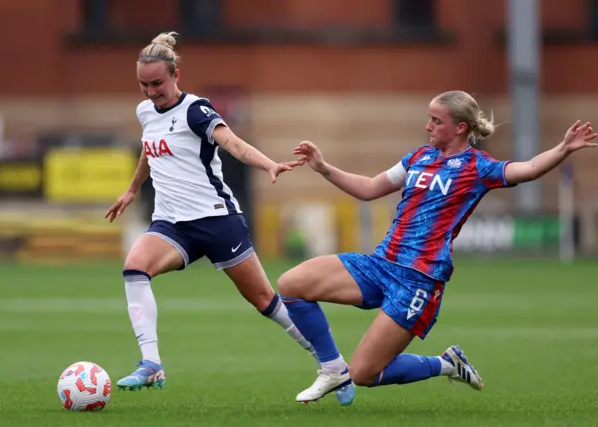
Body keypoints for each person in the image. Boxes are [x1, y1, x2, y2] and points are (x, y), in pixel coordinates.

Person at [277, 90, 597, 403]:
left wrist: (564, 149)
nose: (428, 126)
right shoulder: (418, 157)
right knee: (292, 283)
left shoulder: (477, 167)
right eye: (428, 119)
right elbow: (371, 187)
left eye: (436, 121)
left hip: (418, 281)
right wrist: (323, 168)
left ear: (460, 128)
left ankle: (446, 364)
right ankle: (333, 368)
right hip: (380, 264)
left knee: (364, 373)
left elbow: (526, 170)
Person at [103, 31, 356, 403]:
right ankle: (151, 363)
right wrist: (131, 189)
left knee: (265, 301)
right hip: (172, 224)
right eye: (143, 85)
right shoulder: (145, 112)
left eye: (157, 83)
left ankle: (333, 366)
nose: (151, 92)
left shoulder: (196, 110)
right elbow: (148, 150)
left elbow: (233, 143)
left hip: (216, 221)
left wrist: (268, 164)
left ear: (176, 75)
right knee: (135, 267)